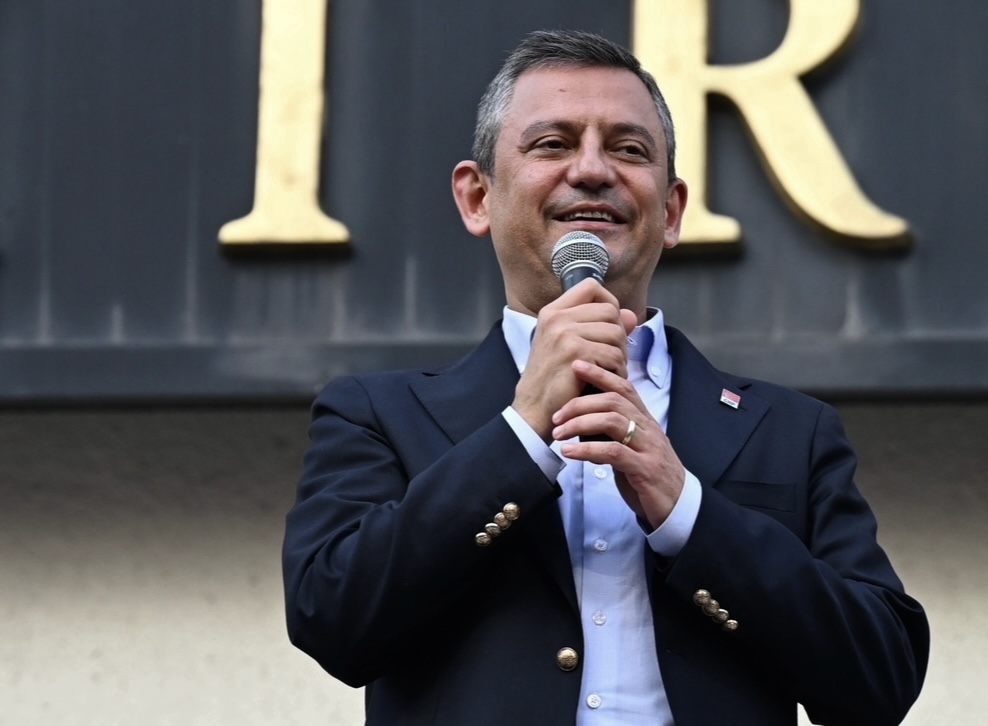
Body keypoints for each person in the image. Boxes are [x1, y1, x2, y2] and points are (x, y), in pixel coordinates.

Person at [282, 29, 929, 725]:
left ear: (671, 211)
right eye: (552, 144)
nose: (592, 171)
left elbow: (881, 677)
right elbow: (332, 619)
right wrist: (520, 435)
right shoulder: (378, 414)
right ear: (477, 198)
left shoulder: (790, 431)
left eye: (628, 149)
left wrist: (686, 510)